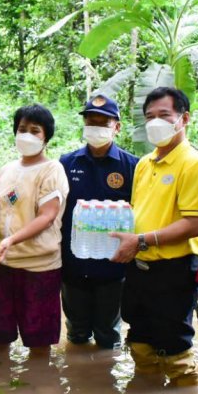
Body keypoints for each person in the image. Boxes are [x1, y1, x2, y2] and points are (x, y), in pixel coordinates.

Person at [110, 87, 198, 386]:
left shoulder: (193, 164)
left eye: (164, 115)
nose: (155, 122)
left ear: (183, 118)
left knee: (175, 344)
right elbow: (140, 211)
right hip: (139, 265)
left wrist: (142, 240)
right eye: (150, 116)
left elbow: (196, 223)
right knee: (140, 338)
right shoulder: (145, 163)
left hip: (175, 268)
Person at [0, 105, 70, 350]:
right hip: (1, 264)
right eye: (22, 129)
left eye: (35, 130)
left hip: (39, 267)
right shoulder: (6, 170)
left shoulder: (52, 170)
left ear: (46, 137)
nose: (27, 135)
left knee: (39, 343)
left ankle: (38, 388)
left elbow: (47, 216)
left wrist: (11, 240)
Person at [59, 95, 138, 349]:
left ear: (117, 126)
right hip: (73, 265)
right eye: (91, 121)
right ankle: (78, 378)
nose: (95, 127)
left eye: (103, 122)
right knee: (76, 333)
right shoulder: (66, 163)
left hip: (113, 268)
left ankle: (103, 382)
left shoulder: (132, 167)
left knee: (108, 337)